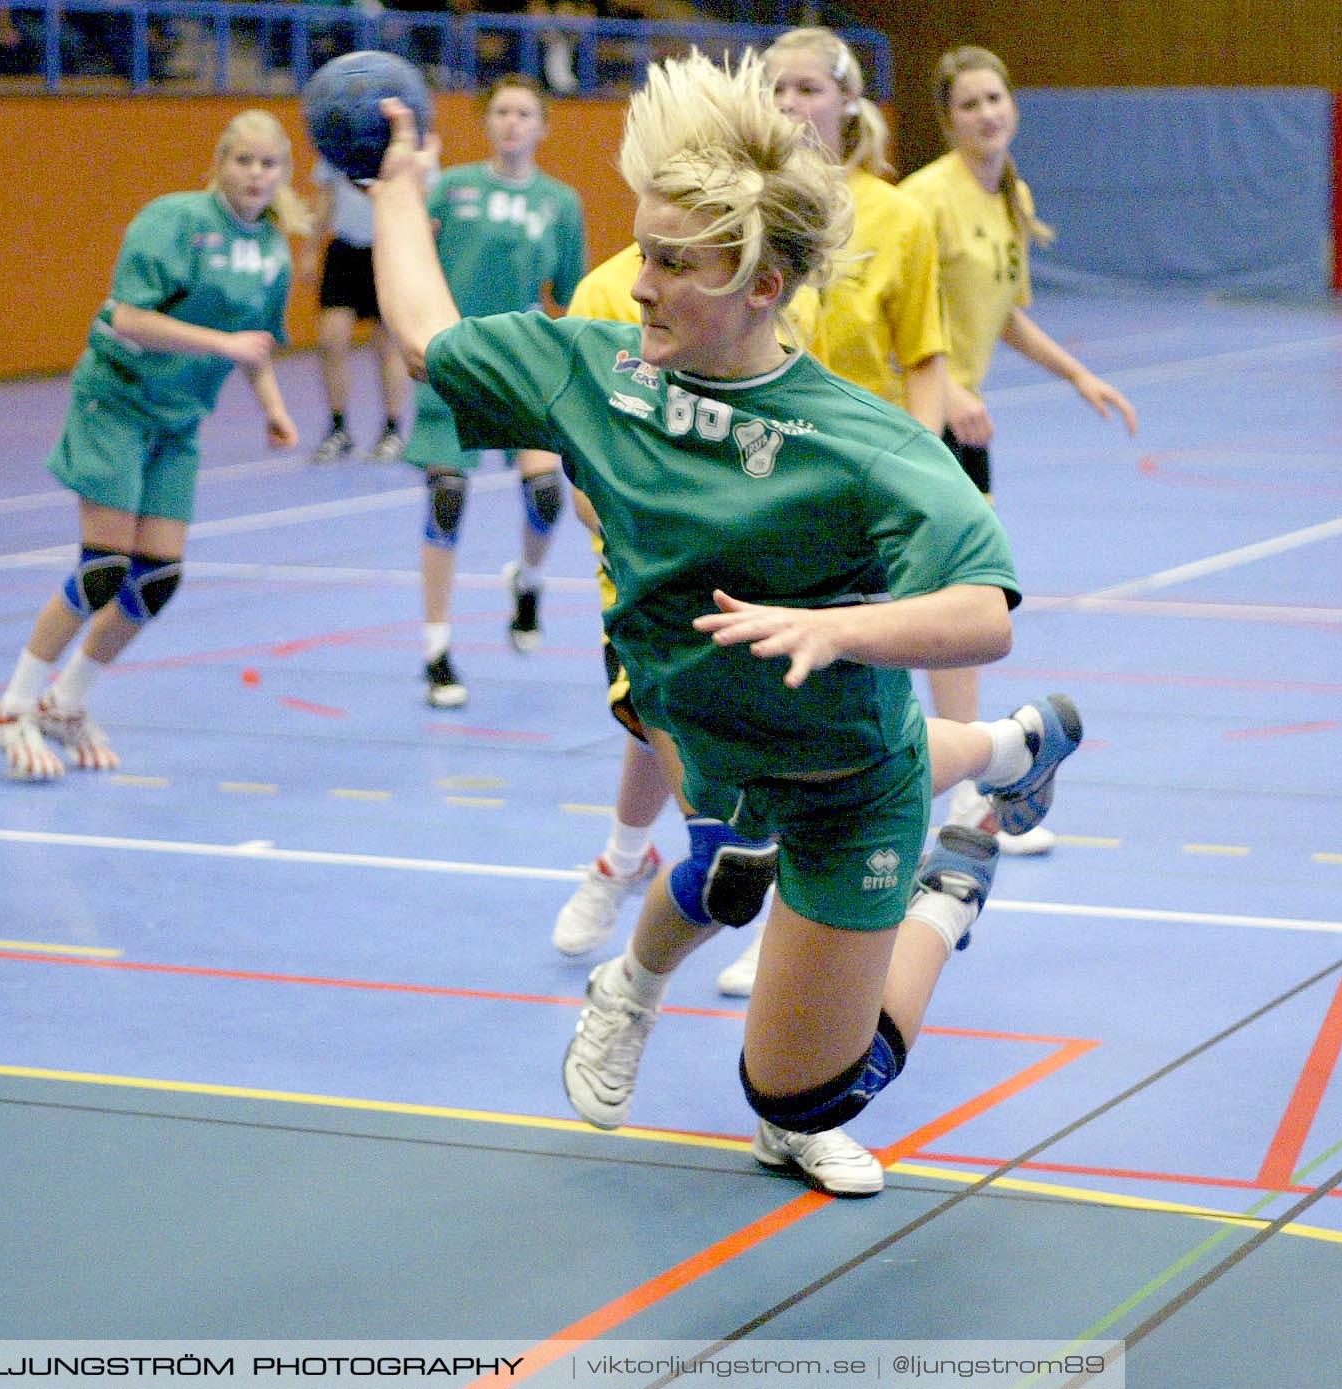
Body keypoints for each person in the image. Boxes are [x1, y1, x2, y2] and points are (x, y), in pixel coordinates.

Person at [369, 50, 1083, 1196]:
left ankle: (956, 874)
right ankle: (1005, 755)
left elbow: (981, 611)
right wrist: (390, 185)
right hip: (707, 737)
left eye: (669, 263)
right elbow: (422, 336)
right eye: (640, 249)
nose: (637, 284)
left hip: (851, 777)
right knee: (732, 858)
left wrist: (841, 632)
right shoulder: (591, 373)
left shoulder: (863, 444)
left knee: (802, 1099)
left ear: (759, 286)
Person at [553, 27, 958, 1002]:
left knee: (841, 760)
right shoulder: (616, 291)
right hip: (674, 600)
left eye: (805, 88)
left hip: (823, 563)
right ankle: (623, 877)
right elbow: (580, 457)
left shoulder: (829, 258)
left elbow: (919, 363)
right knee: (703, 794)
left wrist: (921, 485)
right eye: (770, 89)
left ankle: (980, 788)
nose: (786, 107)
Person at [0, 112, 306, 781]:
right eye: (243, 161)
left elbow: (257, 344)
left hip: (177, 420)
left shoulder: (274, 250)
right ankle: (9, 709)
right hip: (118, 401)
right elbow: (128, 317)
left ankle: (65, 702)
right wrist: (222, 345)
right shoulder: (172, 221)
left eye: (268, 164)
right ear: (221, 162)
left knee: (155, 577)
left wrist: (274, 408)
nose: (255, 175)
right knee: (103, 566)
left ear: (284, 174)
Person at [900, 45, 1138, 851]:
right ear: (947, 119)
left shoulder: (1009, 194)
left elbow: (1003, 312)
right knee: (950, 600)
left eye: (994, 98)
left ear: (1013, 106)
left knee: (962, 601)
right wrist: (949, 388)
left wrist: (1079, 374)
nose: (985, 113)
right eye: (967, 104)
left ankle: (965, 776)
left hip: (957, 425)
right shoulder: (923, 199)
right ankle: (959, 784)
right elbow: (899, 311)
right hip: (916, 420)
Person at [404, 74, 587, 709]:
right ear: (486, 122)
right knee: (447, 499)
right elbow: (411, 267)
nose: (512, 122)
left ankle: (528, 584)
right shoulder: (451, 190)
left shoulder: (560, 203)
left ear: (542, 126)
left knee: (545, 494)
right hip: (452, 365)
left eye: (525, 113)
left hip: (523, 367)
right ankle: (436, 651)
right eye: (502, 111)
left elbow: (571, 295)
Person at [305, 161, 411, 464]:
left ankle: (392, 429)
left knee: (388, 345)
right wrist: (312, 249)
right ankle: (338, 428)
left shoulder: (402, 143)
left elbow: (421, 199)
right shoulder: (337, 141)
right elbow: (326, 196)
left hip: (387, 250)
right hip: (344, 252)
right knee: (331, 340)